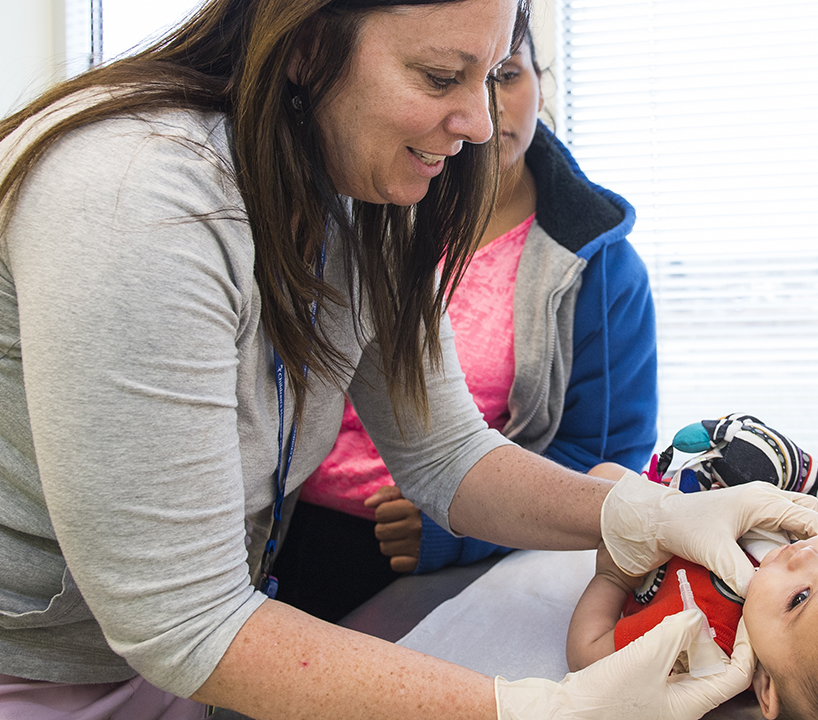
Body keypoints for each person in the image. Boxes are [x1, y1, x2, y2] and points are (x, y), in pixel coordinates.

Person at [0, 1, 818, 718]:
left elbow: (445, 457)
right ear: (304, 47)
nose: (480, 124)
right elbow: (185, 621)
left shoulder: (361, 199)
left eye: (489, 76)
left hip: (125, 653)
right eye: (440, 77)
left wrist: (643, 511)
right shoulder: (134, 202)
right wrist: (535, 709)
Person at [272, 26, 658, 622]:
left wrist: (456, 534)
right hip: (285, 527)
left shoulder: (598, 268)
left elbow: (605, 460)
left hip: (446, 549)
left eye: (507, 76)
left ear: (541, 83)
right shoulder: (365, 206)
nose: (484, 112)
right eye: (444, 78)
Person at [567, 529, 818, 720]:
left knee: (605, 482)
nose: (808, 555)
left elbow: (588, 652)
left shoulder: (701, 642)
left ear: (766, 686)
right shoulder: (809, 556)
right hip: (694, 508)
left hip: (647, 549)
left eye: (799, 598)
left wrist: (611, 577)